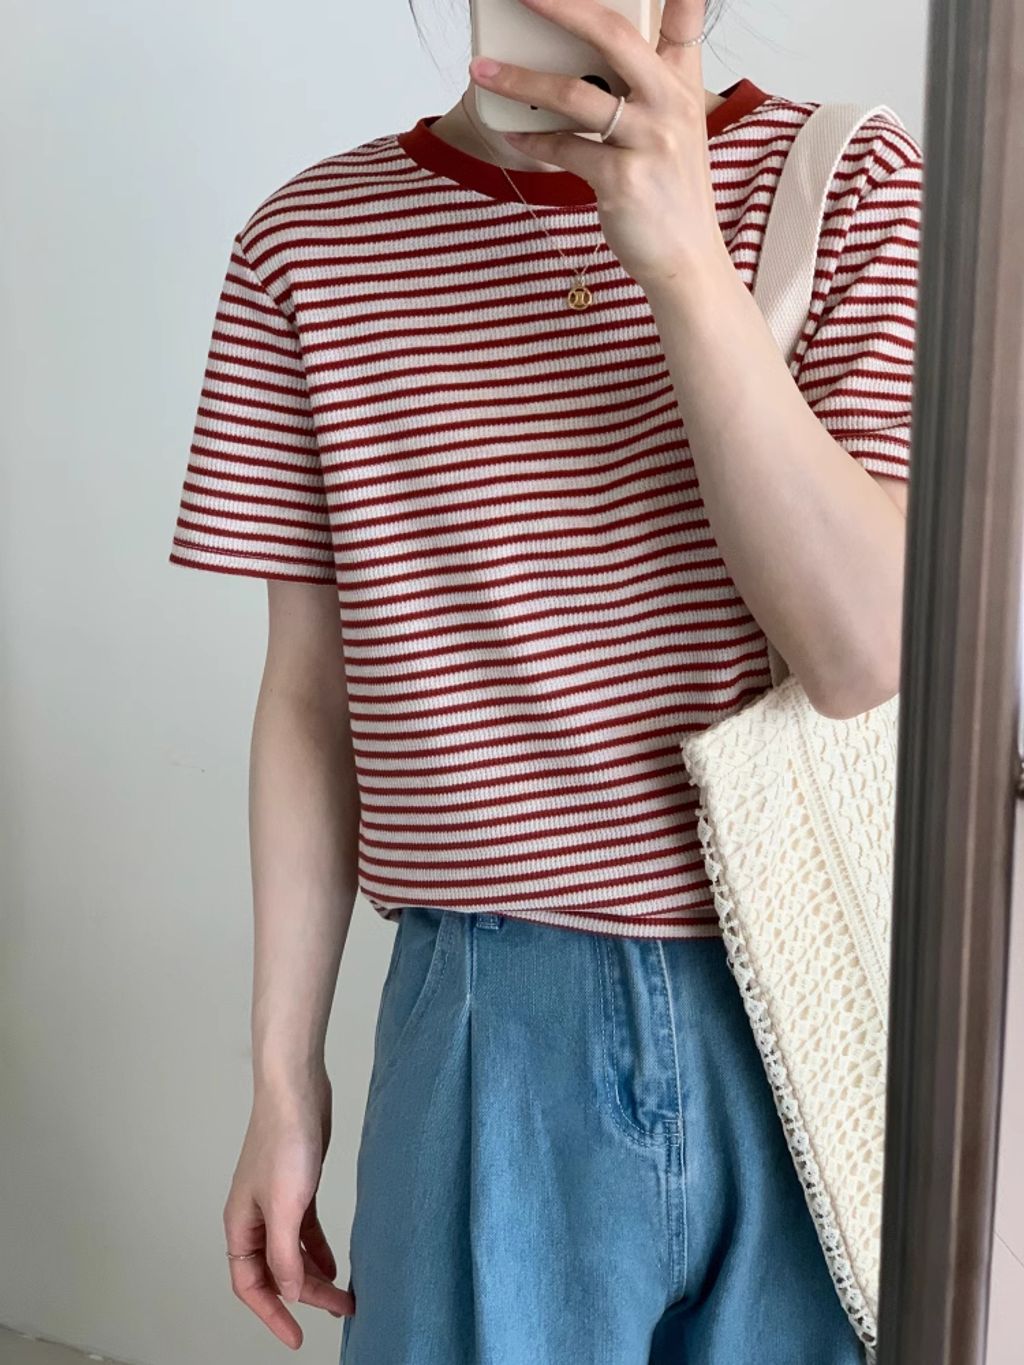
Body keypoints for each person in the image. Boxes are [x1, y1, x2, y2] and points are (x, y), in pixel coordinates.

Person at [168, 0, 921, 1359]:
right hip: (487, 1016)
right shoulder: (312, 242)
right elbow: (310, 698)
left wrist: (683, 258)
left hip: (817, 992)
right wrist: (284, 1078)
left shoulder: (855, 182)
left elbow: (868, 655)